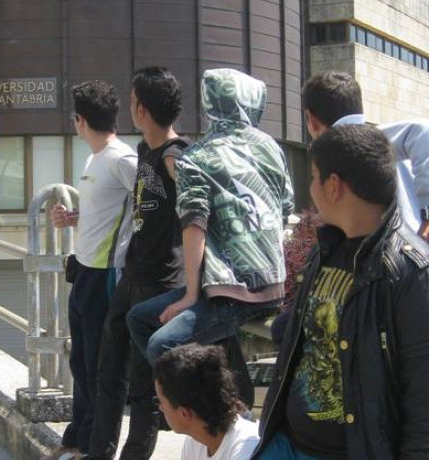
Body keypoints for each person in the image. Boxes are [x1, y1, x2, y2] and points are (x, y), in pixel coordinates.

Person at [253, 125, 429, 459]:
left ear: (333, 186)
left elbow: (423, 405)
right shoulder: (325, 247)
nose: (310, 189)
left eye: (314, 177)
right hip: (285, 444)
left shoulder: (410, 273)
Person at [127, 68, 294, 409]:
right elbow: (287, 204)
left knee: (159, 343)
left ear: (210, 105)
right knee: (141, 316)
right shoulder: (270, 148)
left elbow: (193, 225)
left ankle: (210, 415)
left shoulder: (198, 157)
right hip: (273, 282)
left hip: (229, 291)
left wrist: (189, 295)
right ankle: (234, 399)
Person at [85, 67, 190, 460]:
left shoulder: (175, 155)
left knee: (146, 390)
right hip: (132, 276)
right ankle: (100, 453)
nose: (130, 108)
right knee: (108, 373)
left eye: (132, 102)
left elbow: (199, 212)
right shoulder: (145, 149)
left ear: (141, 109)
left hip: (161, 284)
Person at [47, 80, 137, 459]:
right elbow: (106, 213)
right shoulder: (93, 160)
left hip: (105, 275)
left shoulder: (123, 159)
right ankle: (79, 434)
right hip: (83, 269)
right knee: (79, 358)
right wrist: (74, 218)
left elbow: (155, 205)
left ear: (79, 121)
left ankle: (93, 443)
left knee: (99, 364)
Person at [303, 70, 429, 241]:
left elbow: (423, 131)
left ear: (310, 119)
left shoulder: (360, 142)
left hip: (400, 255)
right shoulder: (384, 140)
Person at [154, 343, 259, 460]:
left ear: (184, 413)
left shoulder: (246, 448)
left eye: (159, 401)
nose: (160, 408)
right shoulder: (195, 442)